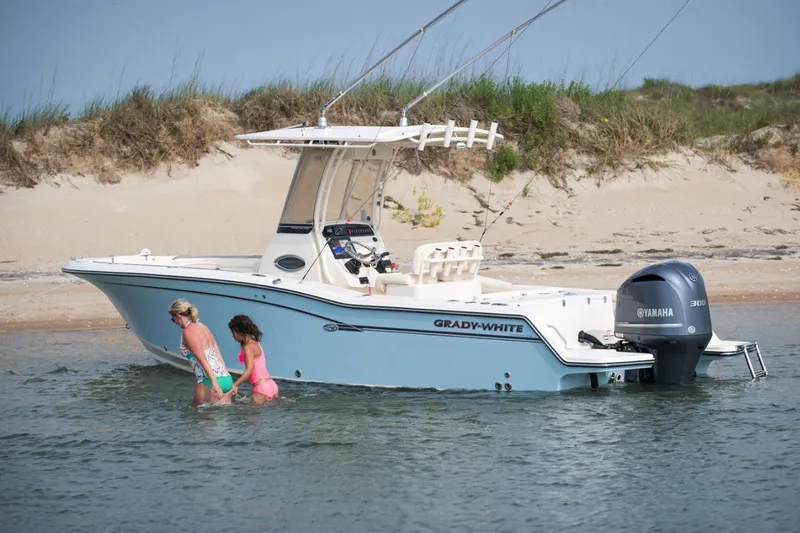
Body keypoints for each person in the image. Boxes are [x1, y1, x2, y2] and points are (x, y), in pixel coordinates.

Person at [168, 298, 234, 407]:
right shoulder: (203, 327)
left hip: (209, 380)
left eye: (172, 319)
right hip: (226, 378)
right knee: (221, 422)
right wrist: (226, 377)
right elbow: (217, 353)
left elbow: (202, 358)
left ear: (178, 316)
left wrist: (215, 384)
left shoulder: (187, 332)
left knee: (196, 420)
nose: (174, 322)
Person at [228, 314, 279, 403]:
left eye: (233, 332)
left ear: (239, 331)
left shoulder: (248, 347)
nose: (233, 336)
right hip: (271, 385)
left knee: (249, 416)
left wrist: (235, 385)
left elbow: (249, 370)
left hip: (261, 388)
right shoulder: (255, 342)